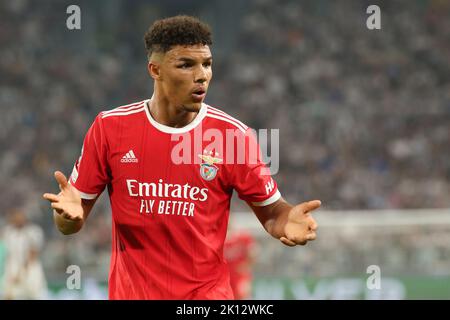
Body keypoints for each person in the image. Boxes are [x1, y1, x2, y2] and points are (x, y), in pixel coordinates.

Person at [43, 15, 320, 300]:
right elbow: (70, 222)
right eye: (186, 65)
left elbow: (272, 213)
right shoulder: (110, 128)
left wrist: (287, 221)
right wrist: (68, 218)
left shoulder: (233, 136)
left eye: (207, 64)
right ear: (155, 69)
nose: (201, 75)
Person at [1, 209, 47, 299]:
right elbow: (9, 254)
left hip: (30, 268)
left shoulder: (33, 231)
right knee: (9, 294)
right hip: (13, 267)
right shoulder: (8, 232)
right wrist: (11, 271)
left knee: (33, 294)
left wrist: (21, 272)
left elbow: (33, 253)